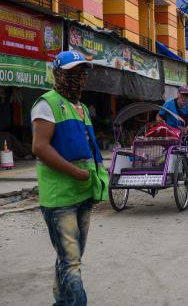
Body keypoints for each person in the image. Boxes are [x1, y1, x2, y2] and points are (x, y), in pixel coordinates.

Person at [31, 51, 109, 305]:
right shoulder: (47, 103)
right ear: (59, 74)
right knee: (71, 261)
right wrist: (75, 172)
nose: (79, 78)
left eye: (82, 72)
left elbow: (86, 147)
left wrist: (97, 181)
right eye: (73, 73)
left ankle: (60, 303)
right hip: (60, 198)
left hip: (84, 193)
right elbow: (40, 147)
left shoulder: (82, 108)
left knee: (68, 259)